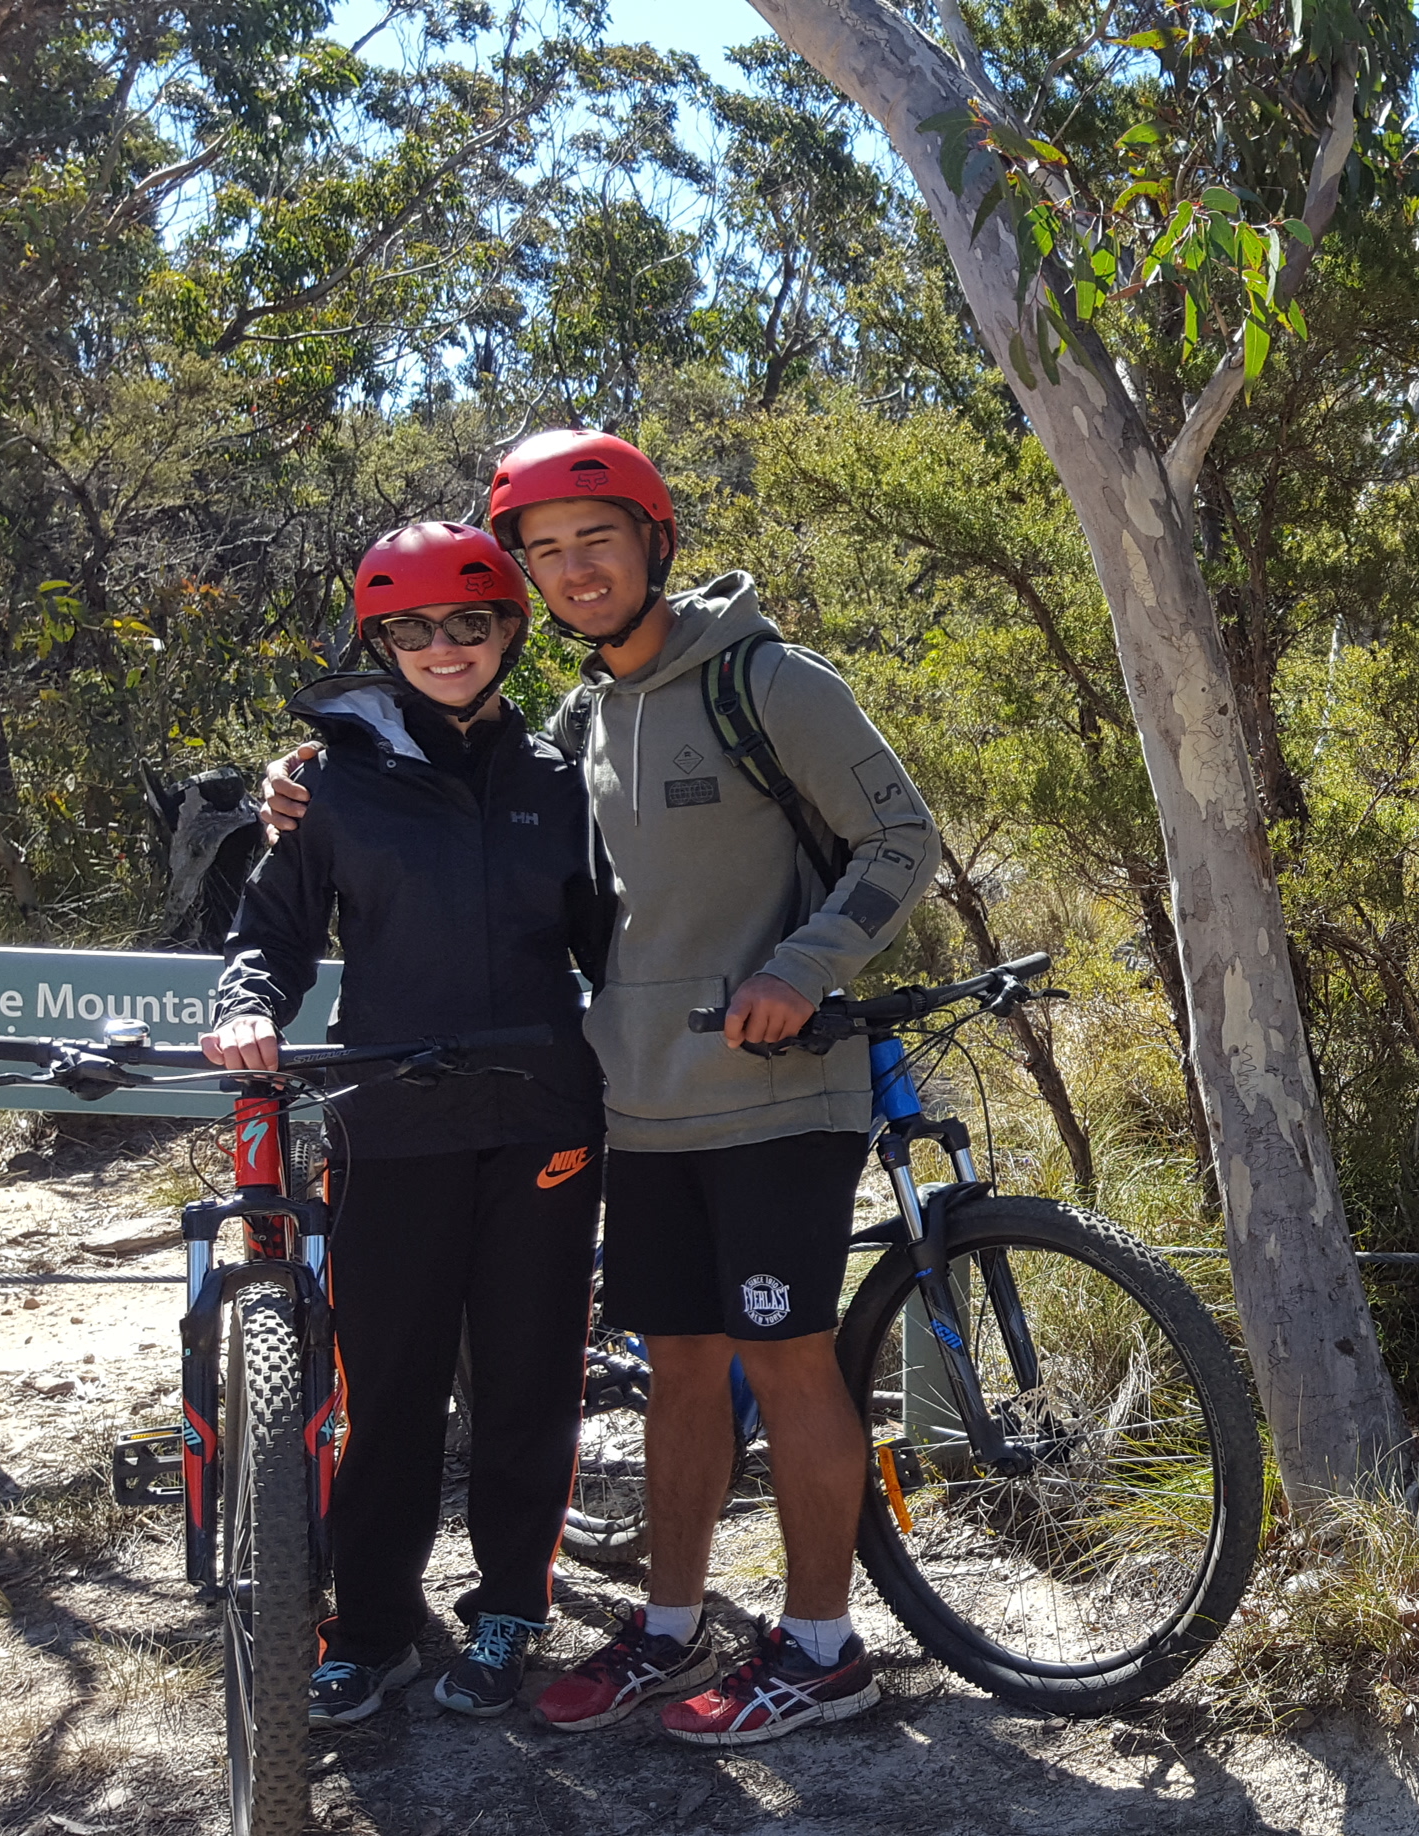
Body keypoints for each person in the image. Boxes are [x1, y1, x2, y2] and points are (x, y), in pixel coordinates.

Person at [265, 430, 935, 1745]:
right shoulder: (575, 724)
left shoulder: (768, 682)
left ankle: (819, 1650)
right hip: (642, 1108)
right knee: (680, 1364)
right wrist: (306, 780)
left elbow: (901, 834)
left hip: (779, 1094)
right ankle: (670, 1628)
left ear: (654, 543)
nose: (576, 571)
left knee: (789, 1359)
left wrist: (808, 964)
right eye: (548, 551)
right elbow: (450, 768)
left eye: (599, 539)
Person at [206, 521, 605, 1726]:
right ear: (377, 641)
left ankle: (508, 1614)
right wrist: (243, 1010)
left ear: (511, 630)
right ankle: (370, 1630)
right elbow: (270, 938)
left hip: (544, 1119)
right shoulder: (330, 782)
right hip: (391, 1122)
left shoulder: (559, 779)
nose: (445, 646)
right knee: (387, 1388)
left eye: (470, 622)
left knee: (530, 1380)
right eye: (413, 629)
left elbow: (616, 949)